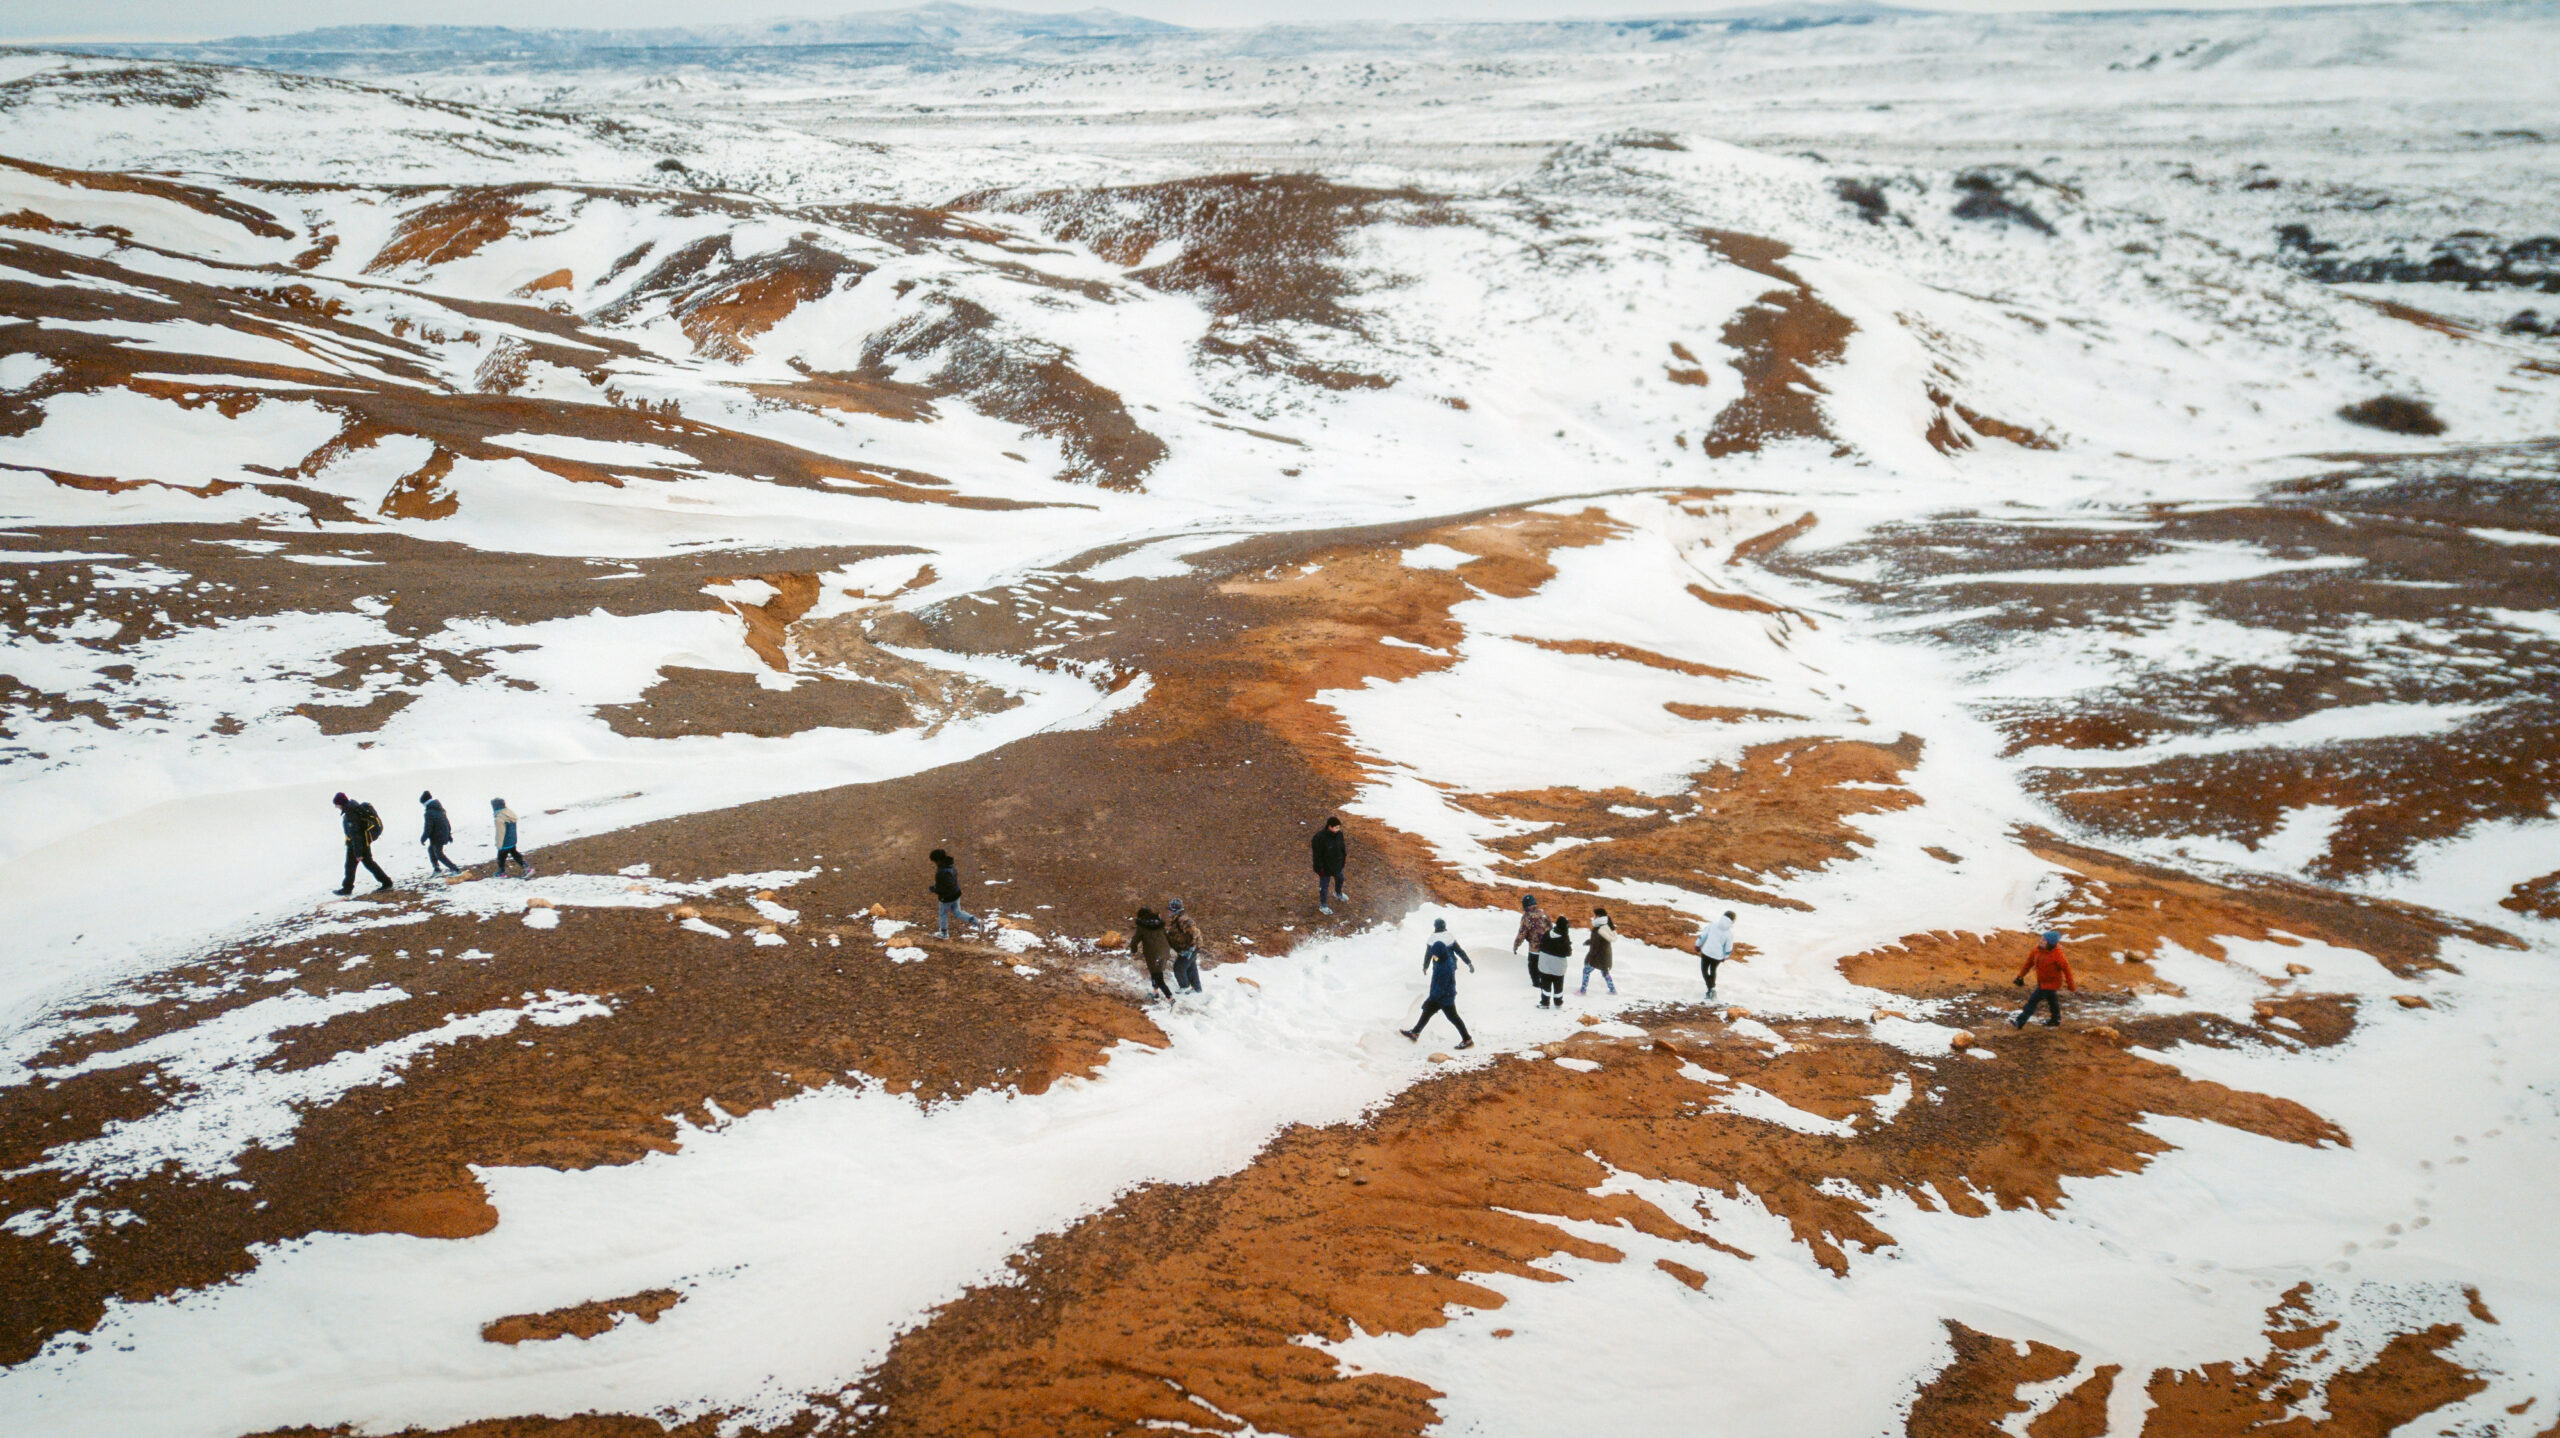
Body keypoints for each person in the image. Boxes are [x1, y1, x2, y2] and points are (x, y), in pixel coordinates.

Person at [1402, 918, 1475, 1048]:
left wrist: (1435, 996)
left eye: (1435, 955)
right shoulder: (1446, 961)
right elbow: (1459, 952)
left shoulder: (1443, 967)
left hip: (1443, 997)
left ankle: (1467, 1039)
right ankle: (1415, 1032)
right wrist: (1468, 962)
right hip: (1440, 994)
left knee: (1453, 1017)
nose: (1433, 957)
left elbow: (1443, 982)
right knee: (1427, 1011)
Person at [2011, 930, 2077, 1028]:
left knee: (2033, 1001)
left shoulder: (2058, 955)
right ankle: (2055, 1019)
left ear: (2050, 943)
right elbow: (2028, 963)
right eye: (2041, 939)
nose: (2040, 941)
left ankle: (2020, 1022)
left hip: (2051, 984)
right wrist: (2020, 976)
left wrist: (2071, 985)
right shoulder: (2037, 950)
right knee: (2052, 1001)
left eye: (2044, 941)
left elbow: (2067, 970)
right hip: (2042, 981)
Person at [332, 792, 393, 896]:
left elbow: (356, 834)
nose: (336, 807)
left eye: (336, 804)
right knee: (361, 864)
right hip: (361, 842)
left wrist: (358, 853)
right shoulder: (352, 808)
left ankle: (348, 888)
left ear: (341, 803)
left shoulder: (351, 814)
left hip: (357, 845)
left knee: (355, 866)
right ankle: (386, 882)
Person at [1128, 906, 1176, 1002]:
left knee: (1158, 977)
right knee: (1155, 973)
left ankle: (1171, 1000)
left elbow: (1134, 941)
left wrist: (1133, 950)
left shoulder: (1142, 927)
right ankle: (1156, 994)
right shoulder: (1159, 924)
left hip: (1153, 954)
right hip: (1164, 952)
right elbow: (1168, 937)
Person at [929, 848, 977, 938]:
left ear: (938, 860)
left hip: (947, 897)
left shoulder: (941, 872)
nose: (935, 863)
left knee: (943, 914)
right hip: (956, 893)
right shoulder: (951, 865)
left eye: (935, 861)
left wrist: (935, 890)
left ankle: (944, 933)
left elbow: (946, 887)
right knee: (957, 912)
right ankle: (974, 921)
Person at [1165, 898, 1204, 994]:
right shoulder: (1176, 919)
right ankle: (1197, 988)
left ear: (1175, 911)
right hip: (1186, 948)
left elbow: (1195, 932)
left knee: (1179, 967)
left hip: (1191, 948)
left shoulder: (1183, 920)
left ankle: (1184, 986)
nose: (1168, 912)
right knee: (1191, 966)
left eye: (1170, 910)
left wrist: (1192, 947)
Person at [1310, 816, 1348, 914]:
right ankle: (1323, 905)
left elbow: (1342, 848)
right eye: (1336, 827)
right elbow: (1317, 855)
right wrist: (1320, 869)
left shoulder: (1339, 834)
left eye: (1339, 827)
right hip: (1325, 868)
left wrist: (1343, 859)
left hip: (1337, 865)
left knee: (1341, 878)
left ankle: (1338, 893)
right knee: (1324, 887)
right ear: (1329, 827)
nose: (1338, 829)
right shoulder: (1319, 837)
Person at [1512, 894, 1551, 987]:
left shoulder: (1527, 916)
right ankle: (1545, 982)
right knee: (1544, 966)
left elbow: (1522, 933)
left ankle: (1536, 985)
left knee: (1533, 966)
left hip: (1535, 948)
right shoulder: (1543, 913)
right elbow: (1550, 927)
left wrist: (1516, 945)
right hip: (1547, 947)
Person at [419, 791, 461, 877]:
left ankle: (455, 869)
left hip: (437, 836)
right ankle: (437, 869)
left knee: (439, 854)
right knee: (431, 850)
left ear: (425, 802)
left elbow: (428, 828)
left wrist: (423, 838)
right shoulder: (439, 809)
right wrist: (449, 834)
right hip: (442, 834)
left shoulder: (429, 813)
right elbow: (447, 822)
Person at [490, 798, 535, 878]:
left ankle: (501, 872)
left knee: (501, 857)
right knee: (514, 853)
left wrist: (499, 845)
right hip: (512, 840)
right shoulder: (510, 813)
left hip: (505, 842)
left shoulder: (499, 819)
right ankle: (527, 867)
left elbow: (500, 833)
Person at [1697, 910, 1736, 1000]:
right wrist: (1725, 957)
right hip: (1717, 956)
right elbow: (1728, 947)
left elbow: (1703, 935)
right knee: (1713, 970)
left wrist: (1698, 944)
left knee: (1704, 971)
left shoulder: (1713, 925)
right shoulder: (1729, 934)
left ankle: (1710, 989)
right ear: (1732, 921)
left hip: (1706, 952)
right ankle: (1712, 989)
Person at [1579, 907, 1618, 996]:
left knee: (1586, 971)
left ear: (1598, 916)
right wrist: (1589, 941)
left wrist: (1590, 958)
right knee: (1605, 972)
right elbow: (1599, 941)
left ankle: (1582, 990)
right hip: (1605, 955)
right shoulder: (1606, 926)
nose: (1593, 917)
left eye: (1594, 915)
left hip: (1597, 956)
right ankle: (1612, 990)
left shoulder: (1599, 929)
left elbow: (1596, 946)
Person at [1536, 916, 1573, 1009]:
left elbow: (1541, 945)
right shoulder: (1564, 938)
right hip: (1558, 967)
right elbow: (1568, 953)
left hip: (1545, 965)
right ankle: (1558, 1002)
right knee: (1558, 986)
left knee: (1545, 985)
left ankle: (1545, 1002)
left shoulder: (1548, 933)